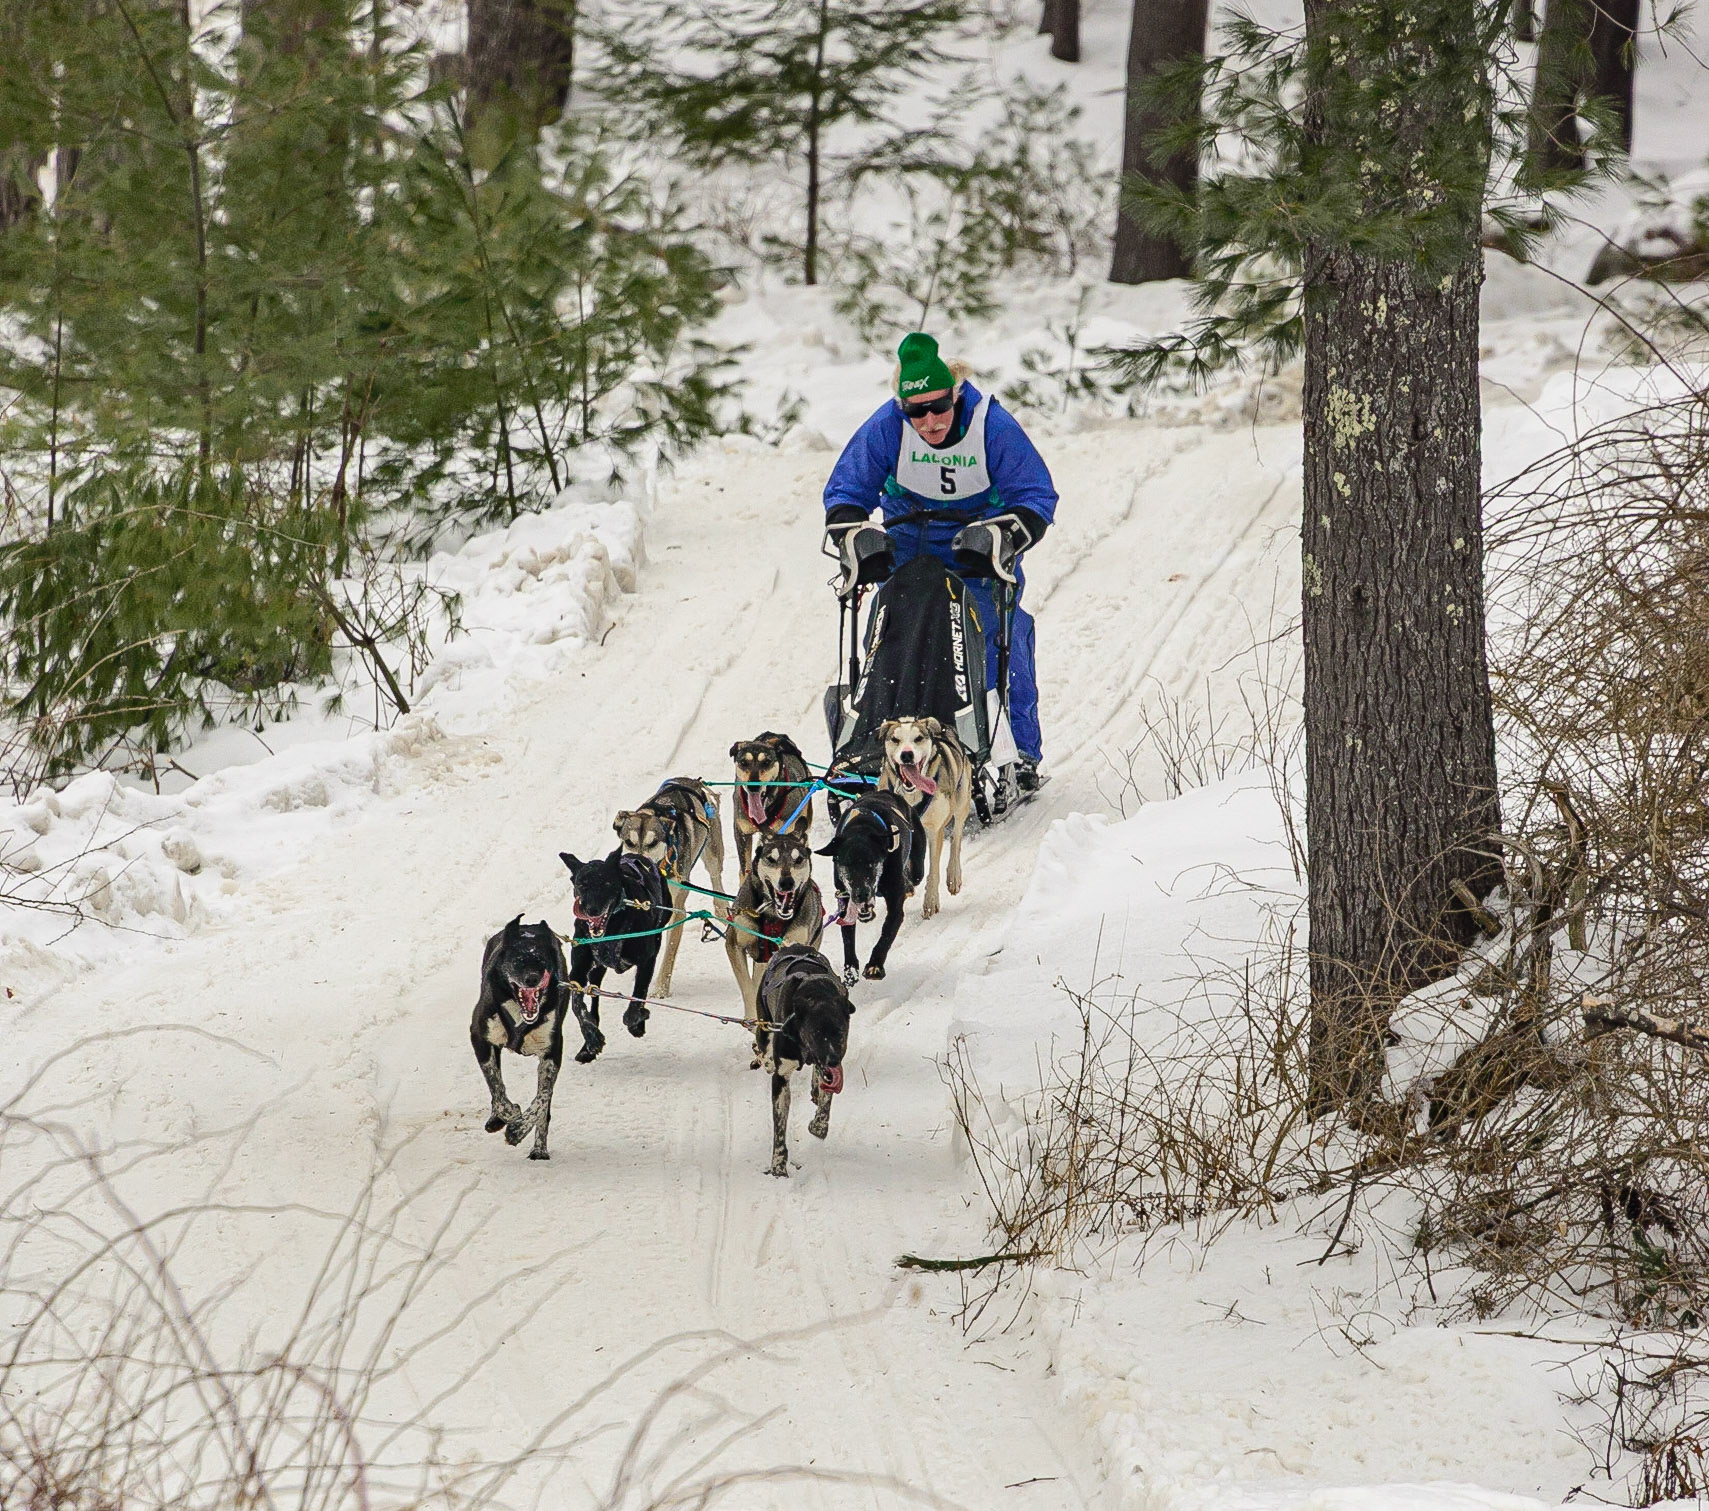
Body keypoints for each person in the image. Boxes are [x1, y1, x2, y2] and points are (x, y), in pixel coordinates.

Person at [822, 331, 1057, 791]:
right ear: (903, 408)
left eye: (938, 407)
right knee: (887, 634)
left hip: (977, 549)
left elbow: (1034, 495)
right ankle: (874, 746)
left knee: (996, 634)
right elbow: (846, 490)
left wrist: (1004, 536)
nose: (929, 421)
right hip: (907, 545)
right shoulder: (887, 426)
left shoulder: (991, 425)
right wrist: (856, 538)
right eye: (917, 411)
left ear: (955, 395)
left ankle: (1017, 750)